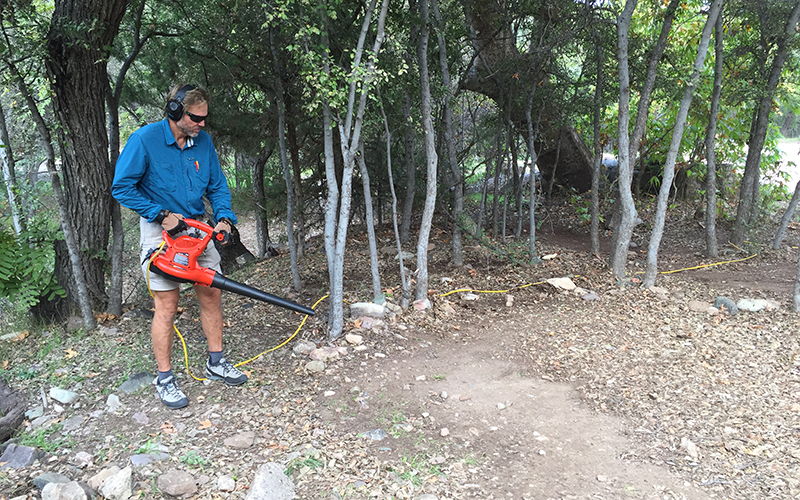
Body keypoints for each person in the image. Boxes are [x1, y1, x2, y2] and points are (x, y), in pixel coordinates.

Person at [112, 84, 248, 409]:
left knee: (212, 294)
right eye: (196, 118)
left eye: (205, 118)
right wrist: (160, 214)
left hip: (198, 229)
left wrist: (225, 220)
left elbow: (217, 186)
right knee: (167, 305)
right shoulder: (144, 140)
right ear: (175, 112)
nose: (202, 124)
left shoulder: (204, 142)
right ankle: (165, 379)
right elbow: (122, 187)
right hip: (161, 231)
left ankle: (216, 363)